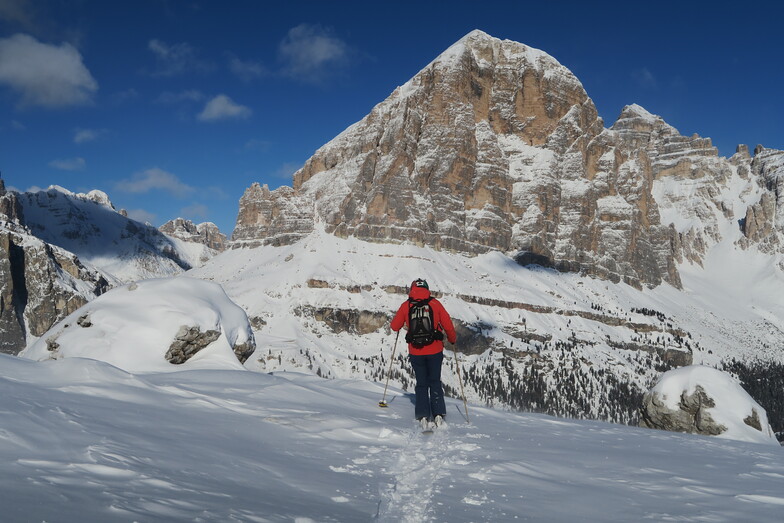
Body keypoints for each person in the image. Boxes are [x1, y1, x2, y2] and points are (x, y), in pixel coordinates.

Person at [391, 278, 457, 427]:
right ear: (427, 289)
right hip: (435, 350)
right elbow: (448, 324)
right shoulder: (435, 304)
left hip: (416, 351)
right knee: (434, 381)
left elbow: (394, 326)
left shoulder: (406, 305)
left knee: (421, 383)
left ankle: (422, 415)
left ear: (411, 289)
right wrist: (452, 339)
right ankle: (438, 413)